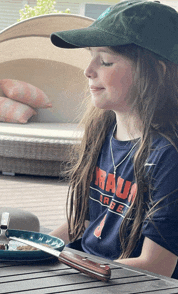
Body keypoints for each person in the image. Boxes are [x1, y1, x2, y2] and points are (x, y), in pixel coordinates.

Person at [49, 0, 178, 279]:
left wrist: (65, 267)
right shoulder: (103, 131)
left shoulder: (169, 154)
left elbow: (156, 267)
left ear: (158, 72)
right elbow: (84, 224)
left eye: (105, 61)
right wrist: (33, 248)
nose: (88, 70)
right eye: (91, 56)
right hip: (86, 270)